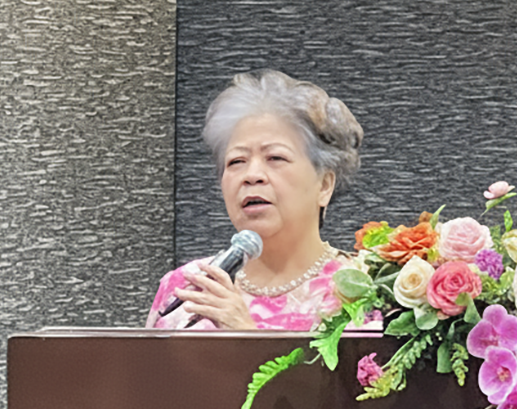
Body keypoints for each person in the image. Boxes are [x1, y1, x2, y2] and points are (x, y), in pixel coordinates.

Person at [147, 69, 364, 331]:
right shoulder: (186, 285)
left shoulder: (365, 288)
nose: (251, 175)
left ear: (325, 184)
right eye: (236, 161)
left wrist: (246, 335)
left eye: (275, 158)